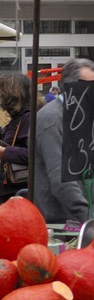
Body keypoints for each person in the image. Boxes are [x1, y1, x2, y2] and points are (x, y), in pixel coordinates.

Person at [32, 57, 94, 222]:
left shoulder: (82, 114)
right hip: (62, 224)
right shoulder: (51, 119)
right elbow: (61, 179)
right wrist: (88, 219)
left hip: (80, 221)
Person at [0, 72, 32, 202]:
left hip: (16, 193)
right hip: (11, 190)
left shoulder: (28, 117)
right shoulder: (19, 117)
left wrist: (5, 152)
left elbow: (34, 154)